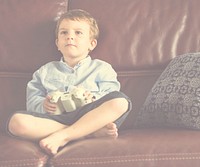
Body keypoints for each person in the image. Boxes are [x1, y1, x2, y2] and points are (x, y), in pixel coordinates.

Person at [8, 9, 132, 155]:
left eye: (78, 33)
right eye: (64, 33)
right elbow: (32, 100)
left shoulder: (102, 68)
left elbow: (110, 93)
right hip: (55, 118)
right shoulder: (45, 71)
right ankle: (87, 133)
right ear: (57, 43)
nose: (70, 37)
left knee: (121, 101)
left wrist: (92, 99)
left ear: (91, 44)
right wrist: (44, 105)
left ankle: (64, 135)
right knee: (15, 123)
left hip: (91, 116)